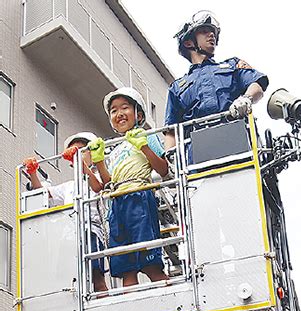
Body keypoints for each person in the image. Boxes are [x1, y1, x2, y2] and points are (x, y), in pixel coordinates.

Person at [89, 88, 168, 287]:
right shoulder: (115, 149)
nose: (119, 113)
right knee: (127, 270)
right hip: (117, 202)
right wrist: (99, 161)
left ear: (138, 114)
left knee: (151, 264)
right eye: (114, 110)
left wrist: (144, 146)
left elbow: (164, 169)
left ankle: (175, 306)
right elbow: (108, 183)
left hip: (139, 196)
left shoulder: (146, 136)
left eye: (125, 107)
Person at [164, 11, 269, 151]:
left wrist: (246, 99)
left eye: (213, 32)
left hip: (240, 146)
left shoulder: (232, 65)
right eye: (204, 31)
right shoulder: (177, 88)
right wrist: (170, 159)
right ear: (189, 42)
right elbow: (171, 131)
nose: (211, 34)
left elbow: (257, 86)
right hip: (197, 157)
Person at [23, 132, 108, 293]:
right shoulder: (69, 186)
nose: (77, 155)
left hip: (90, 231)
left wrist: (81, 166)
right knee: (69, 280)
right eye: (74, 152)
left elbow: (98, 187)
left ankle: (104, 309)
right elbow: (44, 193)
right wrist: (33, 172)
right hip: (69, 236)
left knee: (97, 278)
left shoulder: (98, 176)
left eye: (82, 150)